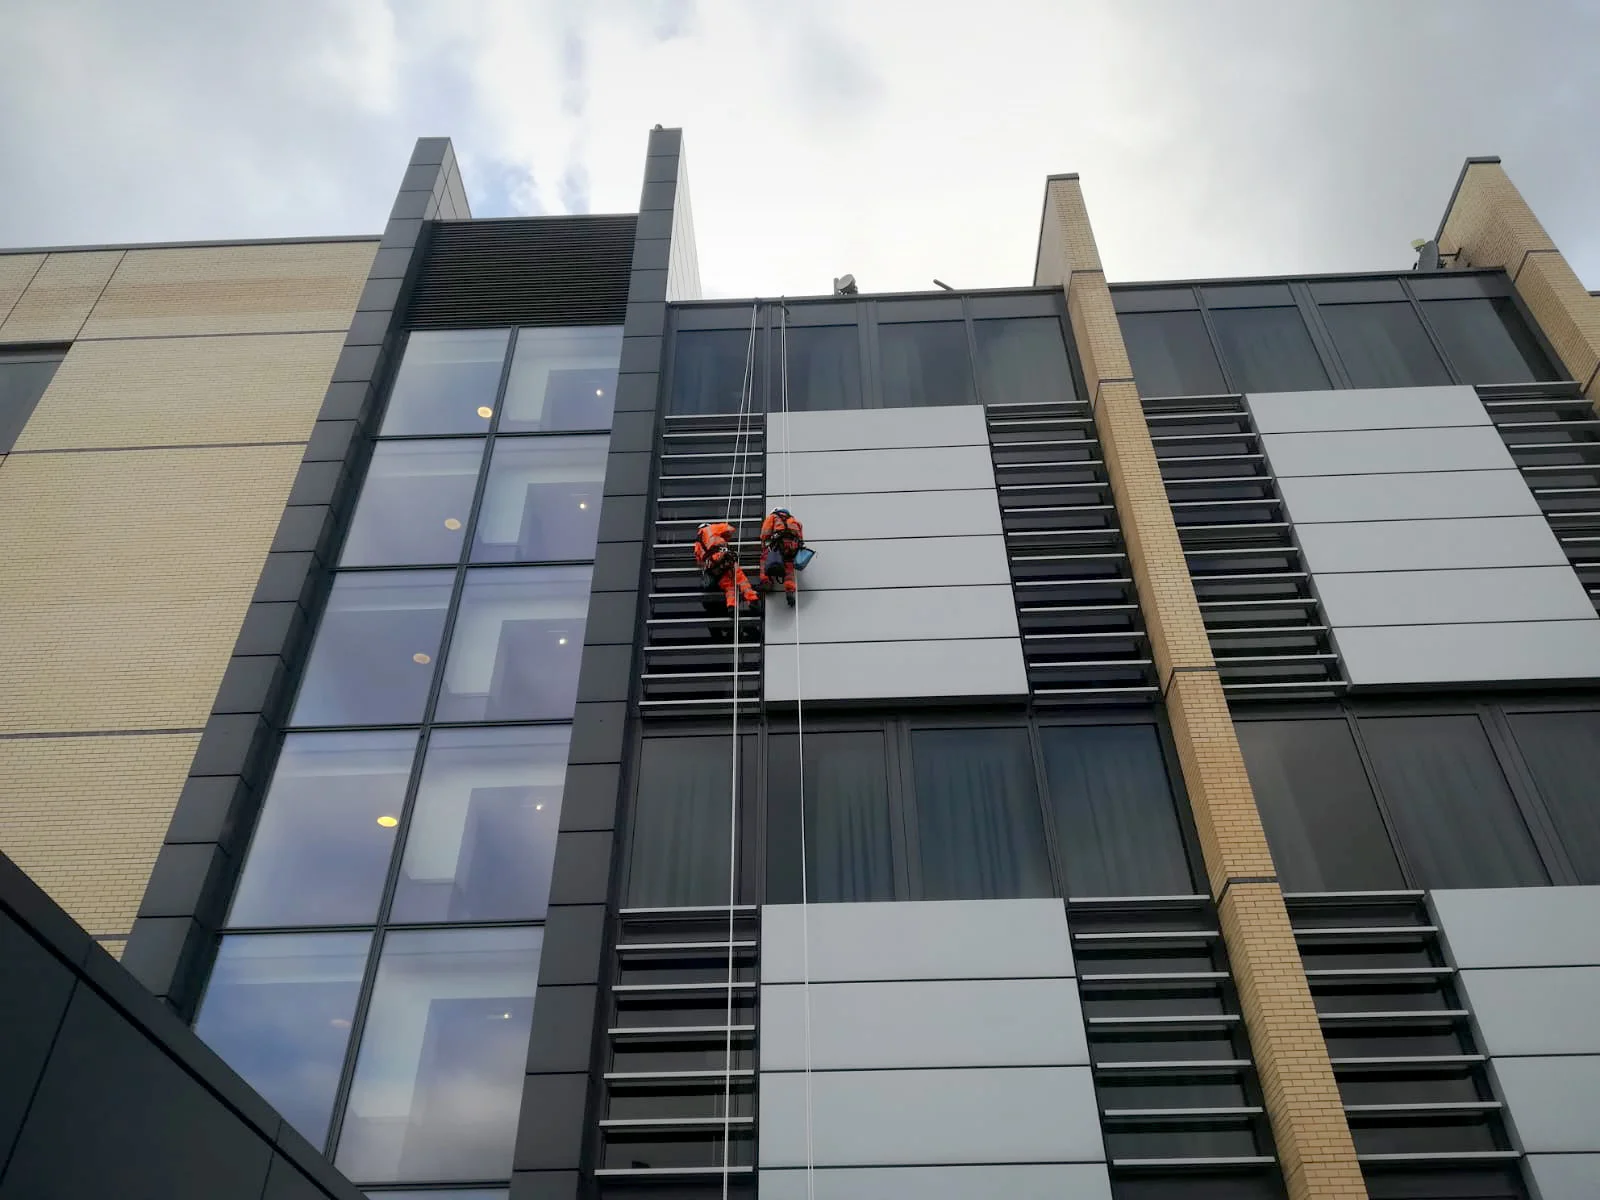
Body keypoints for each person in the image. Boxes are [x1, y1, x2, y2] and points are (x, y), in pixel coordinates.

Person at [694, 521, 760, 611]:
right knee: (741, 579)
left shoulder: (697, 543)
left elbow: (699, 561)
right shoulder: (712, 528)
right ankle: (752, 600)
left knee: (728, 586)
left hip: (714, 565)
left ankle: (731, 606)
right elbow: (729, 528)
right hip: (722, 556)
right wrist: (724, 537)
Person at [759, 507, 806, 606]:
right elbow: (800, 538)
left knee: (764, 558)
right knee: (789, 568)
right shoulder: (795, 521)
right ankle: (790, 591)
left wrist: (765, 545)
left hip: (779, 543)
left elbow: (765, 532)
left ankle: (766, 582)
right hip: (792, 546)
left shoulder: (773, 517)